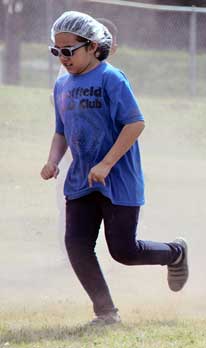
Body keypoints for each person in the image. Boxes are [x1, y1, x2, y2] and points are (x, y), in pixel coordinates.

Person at [40, 11, 189, 325]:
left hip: (118, 179)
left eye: (69, 51)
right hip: (81, 179)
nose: (62, 58)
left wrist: (107, 163)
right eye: (57, 51)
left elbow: (135, 124)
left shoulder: (111, 78)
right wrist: (53, 160)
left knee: (123, 250)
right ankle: (106, 312)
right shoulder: (62, 85)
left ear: (93, 46)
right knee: (77, 245)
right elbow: (61, 130)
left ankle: (174, 253)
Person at [53, 17, 119, 260]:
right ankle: (73, 256)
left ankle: (113, 248)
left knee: (111, 207)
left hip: (108, 159)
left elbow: (132, 122)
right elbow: (60, 115)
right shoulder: (69, 72)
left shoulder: (111, 76)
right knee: (70, 203)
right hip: (76, 155)